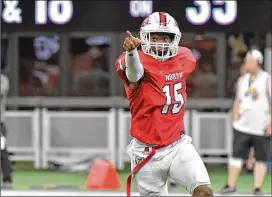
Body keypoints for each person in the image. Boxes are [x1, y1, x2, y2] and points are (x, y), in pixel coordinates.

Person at [115, 12, 213, 196]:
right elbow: (134, 76)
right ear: (145, 37)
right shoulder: (133, 59)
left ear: (173, 40)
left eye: (164, 37)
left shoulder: (184, 57)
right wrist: (131, 53)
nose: (160, 42)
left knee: (204, 191)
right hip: (146, 151)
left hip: (177, 145)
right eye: (155, 37)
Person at [220, 49, 271, 195]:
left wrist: (270, 123)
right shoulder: (242, 80)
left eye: (250, 60)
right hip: (242, 125)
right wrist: (234, 119)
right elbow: (237, 101)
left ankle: (257, 187)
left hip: (261, 126)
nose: (246, 63)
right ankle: (231, 185)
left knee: (261, 157)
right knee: (236, 156)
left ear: (257, 62)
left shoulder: (267, 79)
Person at [1, 73, 13, 189]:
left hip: (0, 126)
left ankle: (7, 179)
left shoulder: (3, 80)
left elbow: (1, 90)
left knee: (2, 151)